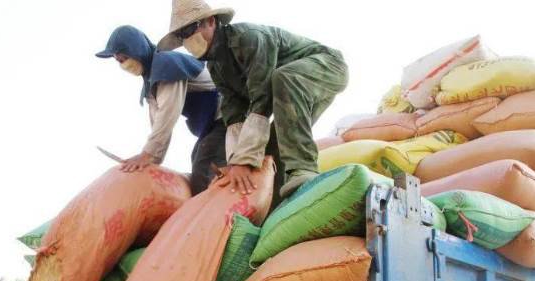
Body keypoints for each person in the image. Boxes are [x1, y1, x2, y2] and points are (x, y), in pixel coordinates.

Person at [159, 0, 349, 204]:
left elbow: (263, 98)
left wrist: (244, 160)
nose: (188, 40)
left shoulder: (248, 38)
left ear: (211, 22)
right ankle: (279, 205)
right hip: (289, 92)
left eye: (190, 29)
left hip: (327, 67)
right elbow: (234, 115)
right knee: (273, 146)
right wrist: (235, 163)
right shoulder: (217, 67)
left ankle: (303, 171)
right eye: (182, 36)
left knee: (283, 78)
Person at [96, 25, 226, 194]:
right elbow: (156, 121)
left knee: (203, 169)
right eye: (119, 61)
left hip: (228, 116)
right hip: (212, 126)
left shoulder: (167, 65)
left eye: (125, 58)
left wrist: (148, 155)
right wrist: (150, 160)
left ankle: (219, 216)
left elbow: (167, 114)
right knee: (198, 159)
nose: (123, 65)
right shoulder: (151, 81)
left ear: (137, 50)